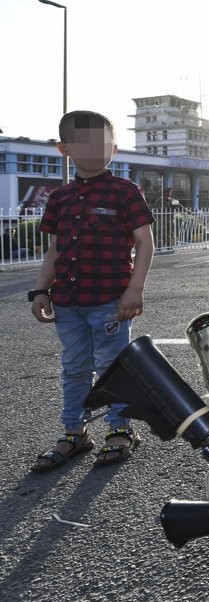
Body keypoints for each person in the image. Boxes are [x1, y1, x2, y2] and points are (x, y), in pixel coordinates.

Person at [29, 111, 155, 472]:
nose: (97, 149)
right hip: (67, 304)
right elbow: (53, 252)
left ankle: (120, 430)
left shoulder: (125, 192)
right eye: (85, 143)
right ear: (64, 148)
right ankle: (74, 433)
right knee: (74, 368)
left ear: (114, 147)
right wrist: (39, 291)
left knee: (112, 367)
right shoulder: (60, 198)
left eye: (105, 143)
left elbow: (145, 243)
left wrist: (135, 289)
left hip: (110, 302)